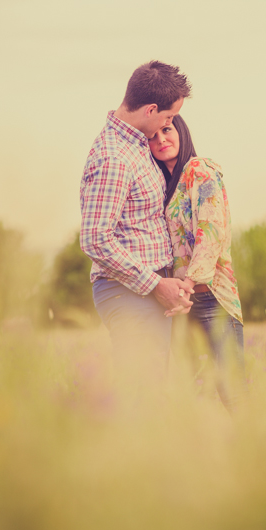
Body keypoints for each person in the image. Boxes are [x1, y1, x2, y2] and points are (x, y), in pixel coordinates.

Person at [79, 61, 195, 401]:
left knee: (152, 394)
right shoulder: (114, 157)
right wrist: (156, 284)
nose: (169, 125)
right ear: (151, 109)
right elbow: (95, 239)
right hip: (128, 292)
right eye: (169, 117)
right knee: (141, 399)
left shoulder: (136, 144)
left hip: (146, 291)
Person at [148, 114, 246, 412]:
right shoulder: (165, 184)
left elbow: (211, 230)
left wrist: (187, 286)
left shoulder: (200, 171)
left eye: (166, 130)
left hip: (210, 299)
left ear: (181, 131)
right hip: (179, 306)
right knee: (193, 394)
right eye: (152, 136)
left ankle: (259, 455)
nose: (161, 139)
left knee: (233, 393)